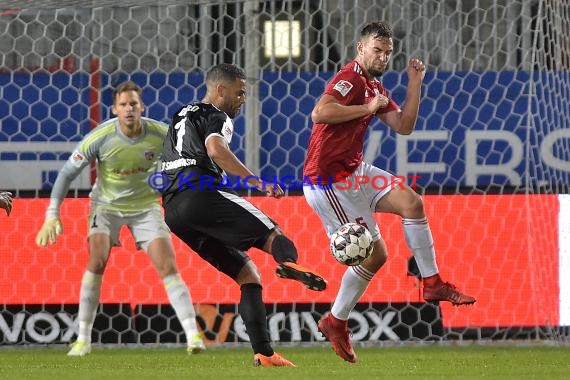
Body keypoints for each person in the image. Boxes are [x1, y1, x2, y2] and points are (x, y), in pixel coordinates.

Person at [303, 21, 476, 363]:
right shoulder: (350, 77)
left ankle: (432, 282)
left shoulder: (374, 84)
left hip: (356, 171)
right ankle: (335, 320)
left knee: (412, 202)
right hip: (329, 182)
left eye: (387, 52)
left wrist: (415, 84)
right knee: (375, 255)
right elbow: (319, 112)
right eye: (376, 50)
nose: (382, 57)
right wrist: (366, 109)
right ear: (360, 49)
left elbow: (404, 126)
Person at [160, 63, 327, 367]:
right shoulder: (217, 115)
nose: (242, 99)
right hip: (201, 192)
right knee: (274, 235)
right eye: (239, 93)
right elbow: (215, 150)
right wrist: (257, 181)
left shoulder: (182, 113)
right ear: (220, 90)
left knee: (248, 275)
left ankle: (264, 353)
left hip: (173, 210)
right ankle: (288, 263)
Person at [35, 81, 205, 357]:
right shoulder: (100, 137)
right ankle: (83, 338)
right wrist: (51, 215)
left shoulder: (160, 134)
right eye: (123, 105)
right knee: (96, 261)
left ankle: (193, 335)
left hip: (146, 207)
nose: (129, 109)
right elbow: (66, 174)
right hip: (106, 207)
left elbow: (190, 156)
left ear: (142, 107)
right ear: (114, 109)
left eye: (134, 104)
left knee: (168, 265)